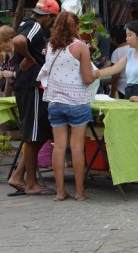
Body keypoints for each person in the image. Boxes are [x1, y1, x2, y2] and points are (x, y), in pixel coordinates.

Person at [42, 11, 98, 201]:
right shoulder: (80, 47)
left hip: (55, 102)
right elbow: (88, 78)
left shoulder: (50, 46)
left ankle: (60, 191)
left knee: (59, 147)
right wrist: (98, 74)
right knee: (76, 147)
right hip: (77, 103)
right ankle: (80, 192)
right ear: (75, 27)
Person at [8, 0, 59, 196]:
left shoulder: (25, 23)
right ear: (48, 16)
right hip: (31, 84)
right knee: (33, 134)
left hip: (26, 84)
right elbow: (18, 41)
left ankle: (18, 176)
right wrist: (30, 58)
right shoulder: (35, 26)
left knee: (40, 132)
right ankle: (31, 183)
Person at [98, 20, 138, 101]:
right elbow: (114, 69)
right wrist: (96, 74)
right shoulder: (130, 54)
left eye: (129, 35)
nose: (127, 38)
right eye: (126, 35)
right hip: (129, 93)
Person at [108, 25, 133, 99]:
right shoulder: (134, 48)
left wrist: (112, 93)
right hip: (135, 87)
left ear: (114, 39)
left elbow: (115, 75)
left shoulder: (117, 52)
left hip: (122, 88)